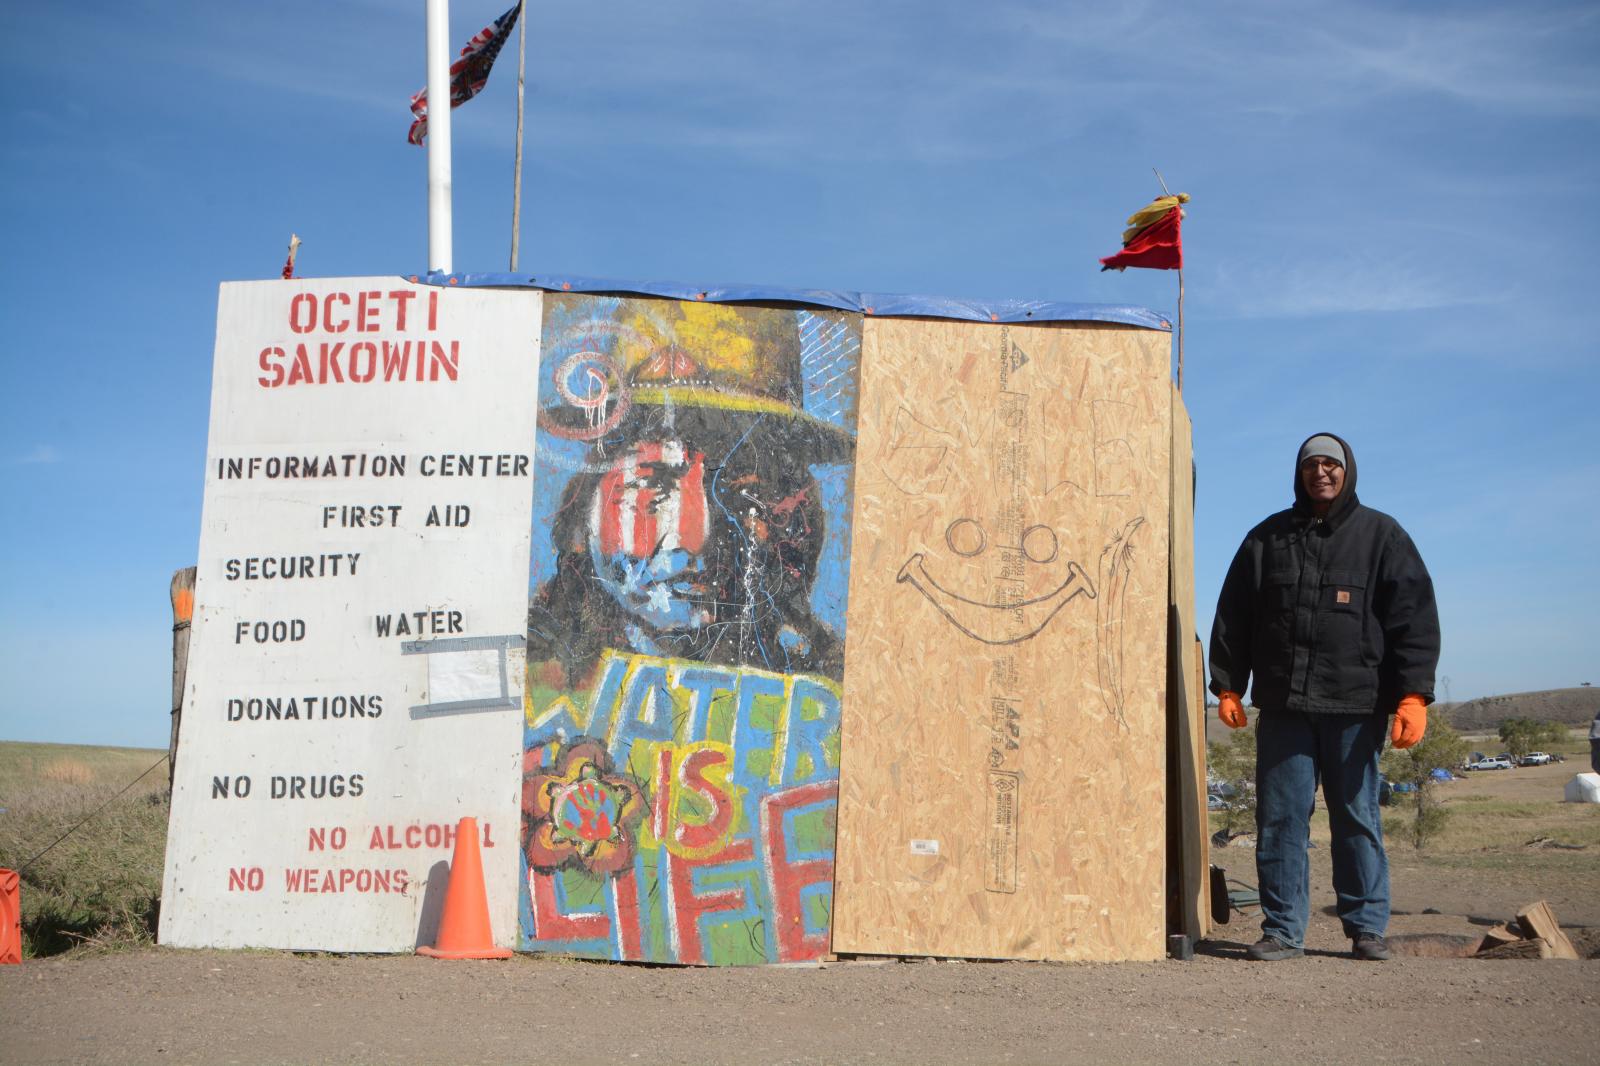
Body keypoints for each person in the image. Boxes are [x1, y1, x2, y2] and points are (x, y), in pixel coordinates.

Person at [1210, 433, 1440, 962]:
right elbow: (1235, 615)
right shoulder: (1267, 539)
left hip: (1356, 706)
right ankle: (1283, 930)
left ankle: (1366, 928)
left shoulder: (1382, 536)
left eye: (1331, 465)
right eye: (1312, 465)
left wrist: (1413, 695)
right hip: (1286, 707)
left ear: (1348, 472)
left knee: (1356, 817)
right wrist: (1228, 683)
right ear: (1300, 473)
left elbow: (1414, 619)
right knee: (1281, 819)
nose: (1322, 473)